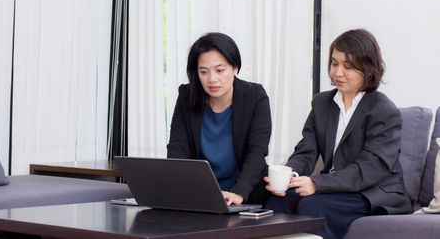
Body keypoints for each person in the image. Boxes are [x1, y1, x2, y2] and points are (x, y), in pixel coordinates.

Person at [264, 29, 412, 239]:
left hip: (374, 191)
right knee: (278, 200)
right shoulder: (322, 103)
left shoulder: (384, 111)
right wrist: (290, 176)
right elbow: (306, 150)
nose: (337, 72)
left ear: (368, 69)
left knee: (313, 206)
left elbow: (370, 169)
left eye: (348, 66)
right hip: (338, 187)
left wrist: (317, 183)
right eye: (334, 63)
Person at [167, 32, 272, 205]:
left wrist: (239, 193)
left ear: (235, 68)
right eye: (204, 72)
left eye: (220, 70)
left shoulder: (255, 97)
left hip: (244, 193)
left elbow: (257, 152)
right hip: (199, 193)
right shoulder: (187, 96)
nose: (212, 79)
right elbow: (177, 150)